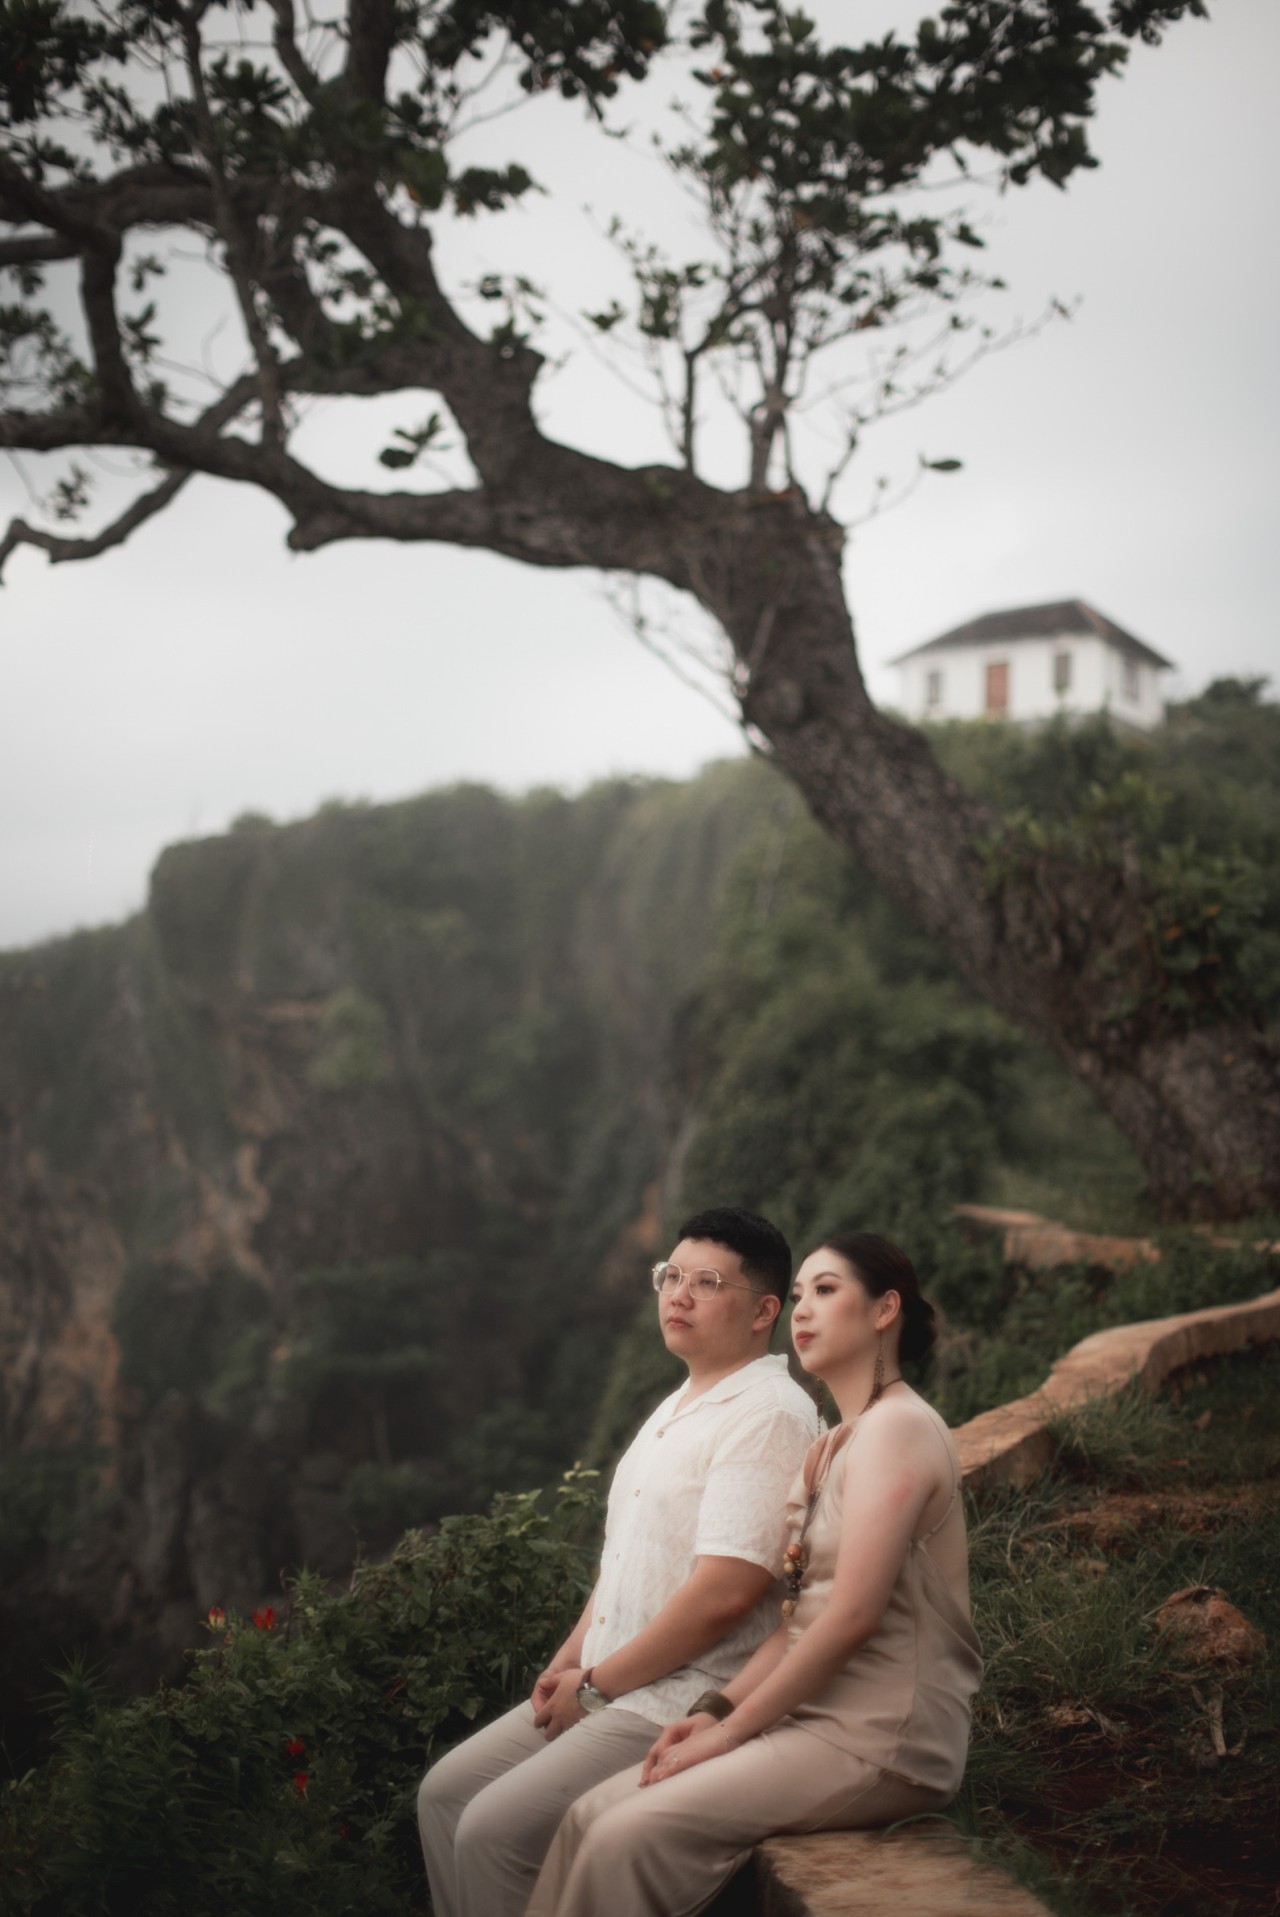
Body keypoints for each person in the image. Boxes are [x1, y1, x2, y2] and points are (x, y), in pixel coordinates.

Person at [526, 1230, 983, 1917]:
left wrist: (729, 1734)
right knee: (589, 1814)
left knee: (624, 1834)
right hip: (808, 1716)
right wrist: (715, 1710)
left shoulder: (899, 1429)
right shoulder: (831, 1446)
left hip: (883, 1735)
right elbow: (797, 1621)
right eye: (798, 1295)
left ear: (885, 1309)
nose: (804, 1310)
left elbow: (850, 1617)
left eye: (826, 1290)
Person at [417, 1206, 821, 1917]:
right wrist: (571, 1656)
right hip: (609, 1679)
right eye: (671, 1276)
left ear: (764, 1311)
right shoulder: (680, 1403)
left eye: (706, 1282)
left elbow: (726, 1593)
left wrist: (597, 1687)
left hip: (677, 1696)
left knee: (493, 1831)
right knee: (445, 1796)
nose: (679, 1295)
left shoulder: (768, 1415)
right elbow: (626, 1556)